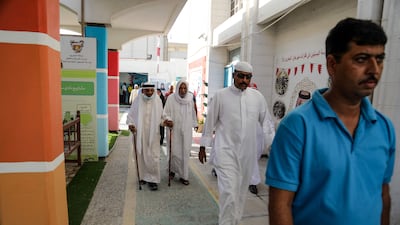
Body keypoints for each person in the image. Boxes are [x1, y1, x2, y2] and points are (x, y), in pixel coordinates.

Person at [266, 18, 396, 225]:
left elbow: (383, 194)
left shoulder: (384, 127)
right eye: (362, 59)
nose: (374, 70)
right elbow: (280, 205)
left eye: (379, 59)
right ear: (332, 65)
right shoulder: (297, 126)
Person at [198, 61, 275, 225]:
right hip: (225, 152)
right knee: (229, 194)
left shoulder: (257, 97)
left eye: (248, 77)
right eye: (241, 76)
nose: (244, 81)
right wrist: (203, 146)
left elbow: (267, 123)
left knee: (239, 194)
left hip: (247, 154)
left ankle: (235, 221)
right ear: (234, 75)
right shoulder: (220, 95)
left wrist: (272, 147)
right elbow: (210, 122)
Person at [126, 83, 171, 191]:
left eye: (151, 90)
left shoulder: (158, 101)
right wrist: (131, 125)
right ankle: (143, 177)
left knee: (153, 157)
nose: (150, 93)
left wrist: (166, 121)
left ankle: (153, 180)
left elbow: (161, 117)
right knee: (141, 155)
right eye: (147, 91)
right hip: (140, 134)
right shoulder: (137, 101)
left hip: (153, 135)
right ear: (143, 91)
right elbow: (131, 116)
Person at [163, 80, 198, 185]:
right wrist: (168, 120)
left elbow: (192, 112)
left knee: (185, 152)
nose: (183, 90)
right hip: (174, 129)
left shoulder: (190, 99)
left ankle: (184, 175)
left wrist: (195, 123)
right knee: (174, 152)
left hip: (186, 130)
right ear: (177, 88)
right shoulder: (171, 98)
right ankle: (172, 170)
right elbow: (165, 113)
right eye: (181, 88)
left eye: (185, 88)